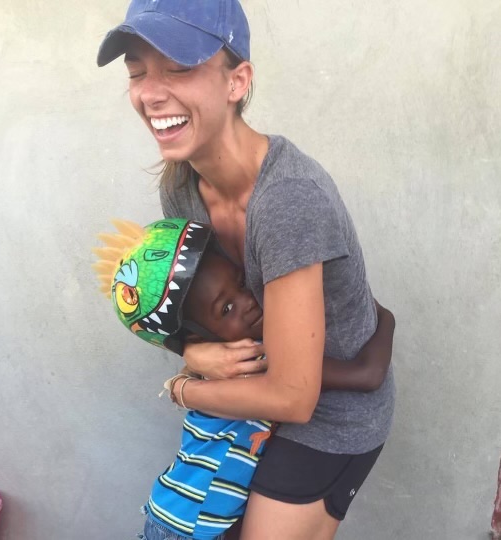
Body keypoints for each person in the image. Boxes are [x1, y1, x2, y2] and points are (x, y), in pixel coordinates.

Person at [97, 2, 396, 539]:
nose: (149, 92)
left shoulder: (287, 201)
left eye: (179, 68)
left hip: (331, 415)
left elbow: (293, 396)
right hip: (253, 407)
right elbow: (191, 312)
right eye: (137, 71)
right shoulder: (180, 187)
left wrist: (184, 388)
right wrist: (191, 352)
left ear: (237, 81)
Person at [93, 218, 394, 540]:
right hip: (185, 530)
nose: (248, 302)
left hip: (182, 517)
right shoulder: (253, 361)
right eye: (226, 309)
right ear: (197, 338)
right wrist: (387, 317)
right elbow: (367, 374)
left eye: (240, 284)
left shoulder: (211, 367)